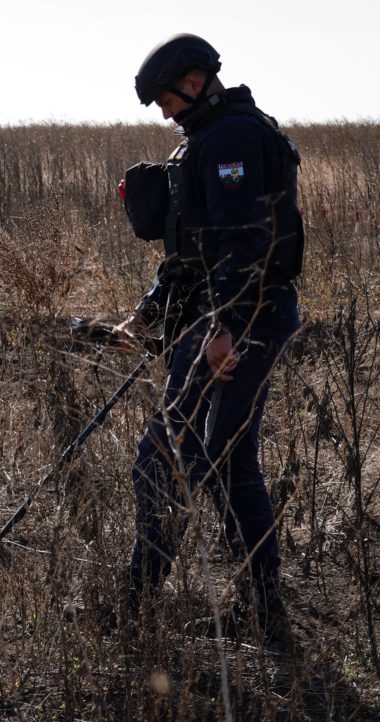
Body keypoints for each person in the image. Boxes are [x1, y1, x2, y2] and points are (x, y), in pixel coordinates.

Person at [113, 33, 303, 646]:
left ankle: (136, 602)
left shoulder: (233, 138)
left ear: (194, 82)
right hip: (228, 317)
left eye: (166, 99)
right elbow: (194, 249)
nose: (164, 112)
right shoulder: (208, 140)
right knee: (227, 459)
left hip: (239, 320)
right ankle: (264, 605)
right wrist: (147, 313)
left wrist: (225, 328)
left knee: (162, 459)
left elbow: (247, 240)